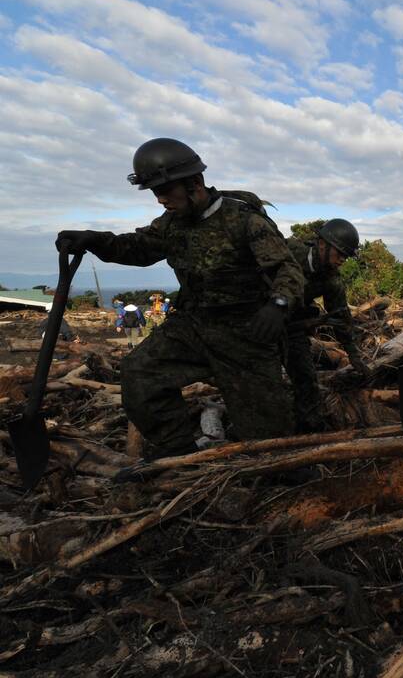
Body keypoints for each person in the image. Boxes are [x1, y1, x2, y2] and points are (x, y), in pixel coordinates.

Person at [55, 138, 304, 459]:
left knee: (268, 442)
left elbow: (288, 269)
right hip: (193, 326)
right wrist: (94, 240)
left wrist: (278, 305)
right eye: (155, 192)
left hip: (247, 334)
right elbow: (137, 248)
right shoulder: (171, 225)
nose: (160, 200)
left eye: (165, 191)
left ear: (195, 184)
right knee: (140, 375)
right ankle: (180, 456)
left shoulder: (245, 221)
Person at [285, 219, 369, 432]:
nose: (342, 260)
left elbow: (341, 318)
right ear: (322, 244)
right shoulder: (286, 251)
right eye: (339, 254)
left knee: (306, 380)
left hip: (290, 329)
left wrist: (355, 357)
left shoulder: (332, 280)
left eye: (346, 257)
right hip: (255, 322)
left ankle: (308, 436)